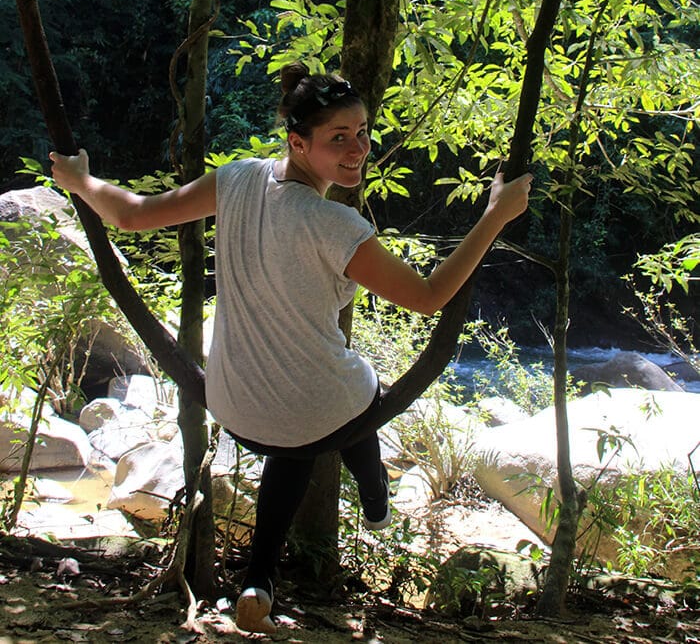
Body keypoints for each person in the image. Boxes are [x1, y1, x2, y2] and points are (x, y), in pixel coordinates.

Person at [50, 62, 532, 633]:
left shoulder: (235, 180)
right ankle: (376, 497)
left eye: (361, 133)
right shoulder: (334, 225)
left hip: (233, 409)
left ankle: (259, 579)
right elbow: (429, 298)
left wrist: (80, 181)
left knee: (296, 436)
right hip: (314, 413)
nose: (358, 149)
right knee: (356, 392)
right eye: (339, 139)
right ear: (298, 143)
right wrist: (496, 213)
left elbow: (131, 215)